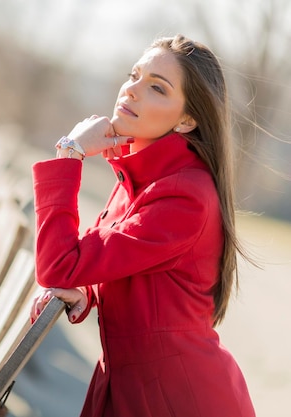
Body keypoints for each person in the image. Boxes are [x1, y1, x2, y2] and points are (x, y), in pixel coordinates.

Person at [29, 34, 255, 417]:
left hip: (180, 400)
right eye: (134, 75)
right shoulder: (136, 184)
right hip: (127, 390)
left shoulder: (184, 196)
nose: (132, 90)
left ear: (187, 119)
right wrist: (87, 292)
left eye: (156, 87)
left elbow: (57, 264)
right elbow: (110, 268)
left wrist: (70, 153)